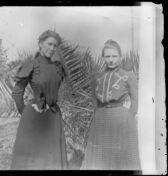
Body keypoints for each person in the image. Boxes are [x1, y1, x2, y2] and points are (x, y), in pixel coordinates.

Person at [10, 30, 67, 170]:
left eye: (55, 45)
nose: (52, 48)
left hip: (53, 116)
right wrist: (25, 112)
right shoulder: (32, 64)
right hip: (34, 117)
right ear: (40, 44)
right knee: (32, 160)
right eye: (49, 44)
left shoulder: (57, 68)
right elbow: (17, 92)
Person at [81, 39, 141, 170]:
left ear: (120, 57)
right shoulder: (97, 77)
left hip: (121, 119)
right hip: (101, 119)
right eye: (107, 56)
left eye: (114, 56)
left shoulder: (128, 76)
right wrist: (98, 115)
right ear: (103, 57)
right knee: (101, 156)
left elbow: (135, 100)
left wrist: (128, 119)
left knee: (119, 155)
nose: (111, 60)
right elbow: (94, 100)